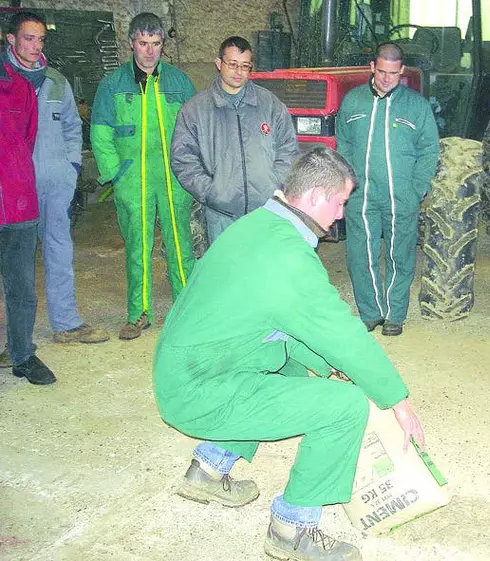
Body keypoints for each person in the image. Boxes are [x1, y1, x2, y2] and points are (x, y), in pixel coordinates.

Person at [153, 147, 425, 561]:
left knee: (290, 362)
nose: (339, 214)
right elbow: (341, 332)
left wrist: (328, 366)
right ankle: (292, 529)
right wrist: (397, 400)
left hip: (189, 371)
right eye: (340, 202)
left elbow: (286, 324)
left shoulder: (258, 226)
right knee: (345, 408)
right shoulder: (287, 257)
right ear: (316, 196)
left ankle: (208, 467)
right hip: (199, 388)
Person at [1, 11, 109, 352]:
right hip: (12, 192)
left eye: (40, 39)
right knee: (13, 263)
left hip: (53, 186)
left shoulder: (57, 82)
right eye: (28, 39)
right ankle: (15, 339)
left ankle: (66, 322)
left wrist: (70, 169)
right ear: (11, 40)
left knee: (59, 250)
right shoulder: (2, 81)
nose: (35, 46)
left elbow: (71, 129)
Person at [91, 12, 196, 341]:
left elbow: (195, 131)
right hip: (133, 180)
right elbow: (101, 134)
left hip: (173, 179)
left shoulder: (180, 83)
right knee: (138, 247)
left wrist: (190, 169)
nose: (149, 51)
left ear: (163, 43)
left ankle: (185, 311)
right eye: (142, 43)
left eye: (155, 43)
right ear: (131, 43)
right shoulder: (113, 85)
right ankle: (138, 314)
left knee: (181, 246)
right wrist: (116, 175)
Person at [336, 42, 440, 337]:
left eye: (392, 74)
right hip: (361, 195)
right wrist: (347, 183)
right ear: (372, 67)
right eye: (381, 72)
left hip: (401, 196)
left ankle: (395, 314)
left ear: (402, 71)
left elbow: (430, 149)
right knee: (360, 255)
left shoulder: (416, 106)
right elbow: (343, 144)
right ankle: (371, 312)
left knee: (400, 255)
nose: (386, 79)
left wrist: (416, 189)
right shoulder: (353, 102)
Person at [171, 36, 298, 245]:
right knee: (227, 272)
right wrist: (211, 192)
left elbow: (288, 148)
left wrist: (274, 184)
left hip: (265, 210)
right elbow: (183, 157)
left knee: (264, 270)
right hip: (221, 214)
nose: (239, 72)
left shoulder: (270, 104)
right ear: (219, 63)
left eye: (245, 66)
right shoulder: (195, 110)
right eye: (232, 64)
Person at [0, 59, 56, 385]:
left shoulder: (19, 88)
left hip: (18, 204)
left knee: (22, 288)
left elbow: (27, 139)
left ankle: (22, 355)